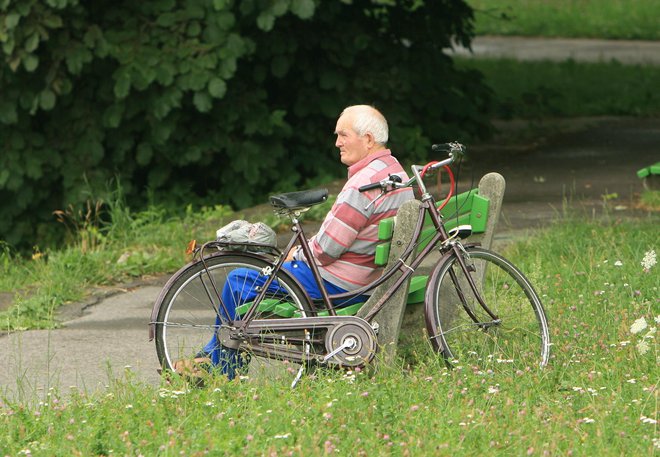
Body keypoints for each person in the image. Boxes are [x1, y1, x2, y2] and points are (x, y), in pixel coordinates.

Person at [174, 105, 414, 377]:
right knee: (252, 277)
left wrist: (296, 254)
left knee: (239, 280)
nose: (337, 142)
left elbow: (325, 250)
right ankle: (210, 358)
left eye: (343, 135)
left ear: (368, 139)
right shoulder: (397, 175)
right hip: (366, 278)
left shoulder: (364, 184)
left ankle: (221, 367)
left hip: (338, 283)